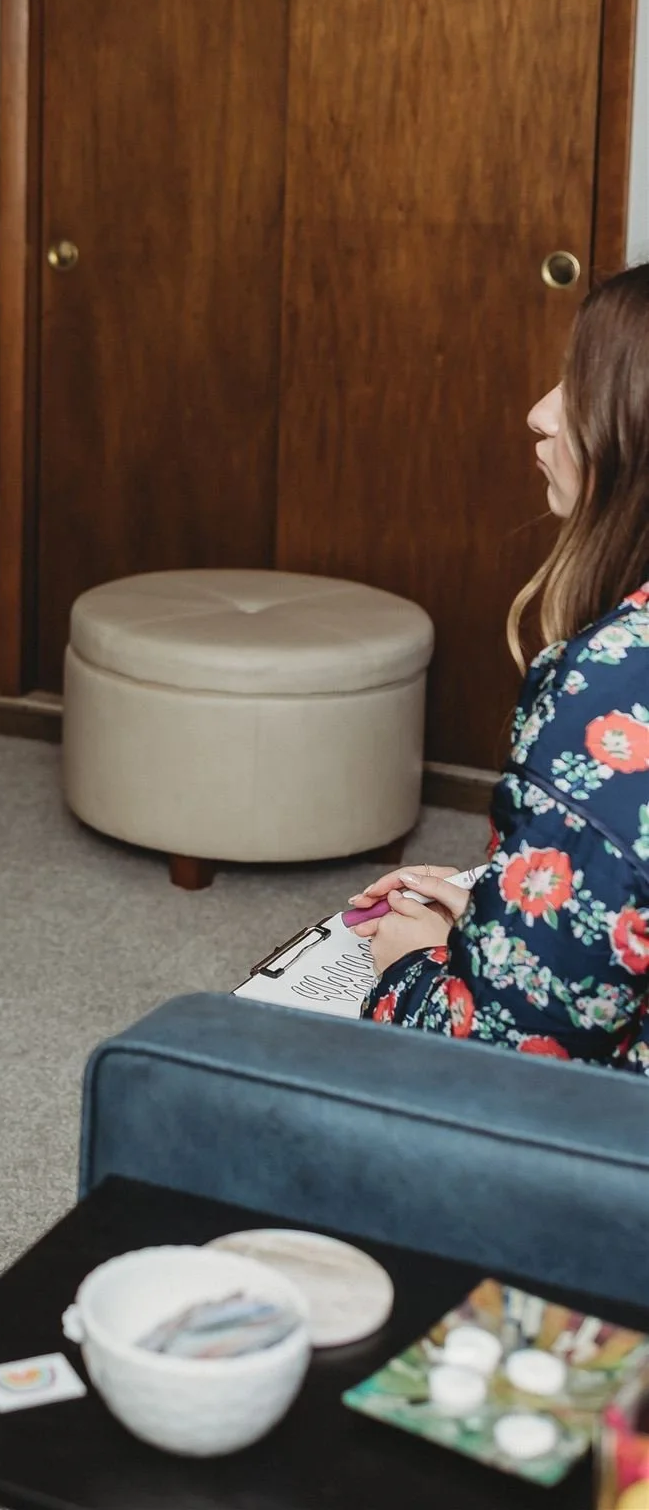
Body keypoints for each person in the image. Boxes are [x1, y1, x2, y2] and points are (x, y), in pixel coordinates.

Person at [351, 266, 649, 1070]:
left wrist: (411, 966)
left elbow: (502, 1064)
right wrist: (498, 916)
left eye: (579, 387)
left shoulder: (613, 697)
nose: (540, 413)